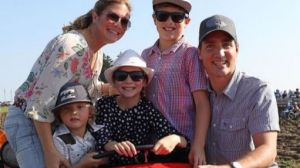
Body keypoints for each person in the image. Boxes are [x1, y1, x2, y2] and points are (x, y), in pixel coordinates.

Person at [4, 0, 132, 167]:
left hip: (53, 124)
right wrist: (50, 151)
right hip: (28, 122)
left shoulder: (97, 52)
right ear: (95, 15)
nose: (118, 24)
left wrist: (116, 87)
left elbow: (89, 88)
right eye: (113, 16)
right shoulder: (72, 46)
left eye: (124, 21)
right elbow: (40, 103)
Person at [197, 15, 280, 167]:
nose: (220, 53)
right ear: (199, 53)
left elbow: (268, 149)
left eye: (226, 45)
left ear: (237, 49)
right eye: (210, 46)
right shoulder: (198, 96)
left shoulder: (258, 91)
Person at [141, 0, 211, 167]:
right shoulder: (145, 55)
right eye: (163, 16)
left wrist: (198, 146)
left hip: (182, 145)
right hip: (152, 145)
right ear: (154, 19)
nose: (169, 22)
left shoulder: (191, 54)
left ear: (187, 22)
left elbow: (202, 103)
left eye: (177, 17)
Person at [94, 49, 189, 166]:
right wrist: (111, 145)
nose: (128, 81)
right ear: (114, 81)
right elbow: (99, 134)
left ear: (144, 82)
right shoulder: (103, 105)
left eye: (136, 76)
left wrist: (174, 138)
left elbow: (183, 141)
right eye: (121, 76)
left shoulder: (148, 109)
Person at [52, 82, 106, 167]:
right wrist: (82, 165)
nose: (74, 112)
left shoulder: (97, 129)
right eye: (66, 109)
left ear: (90, 111)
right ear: (59, 115)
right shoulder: (59, 139)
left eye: (80, 107)